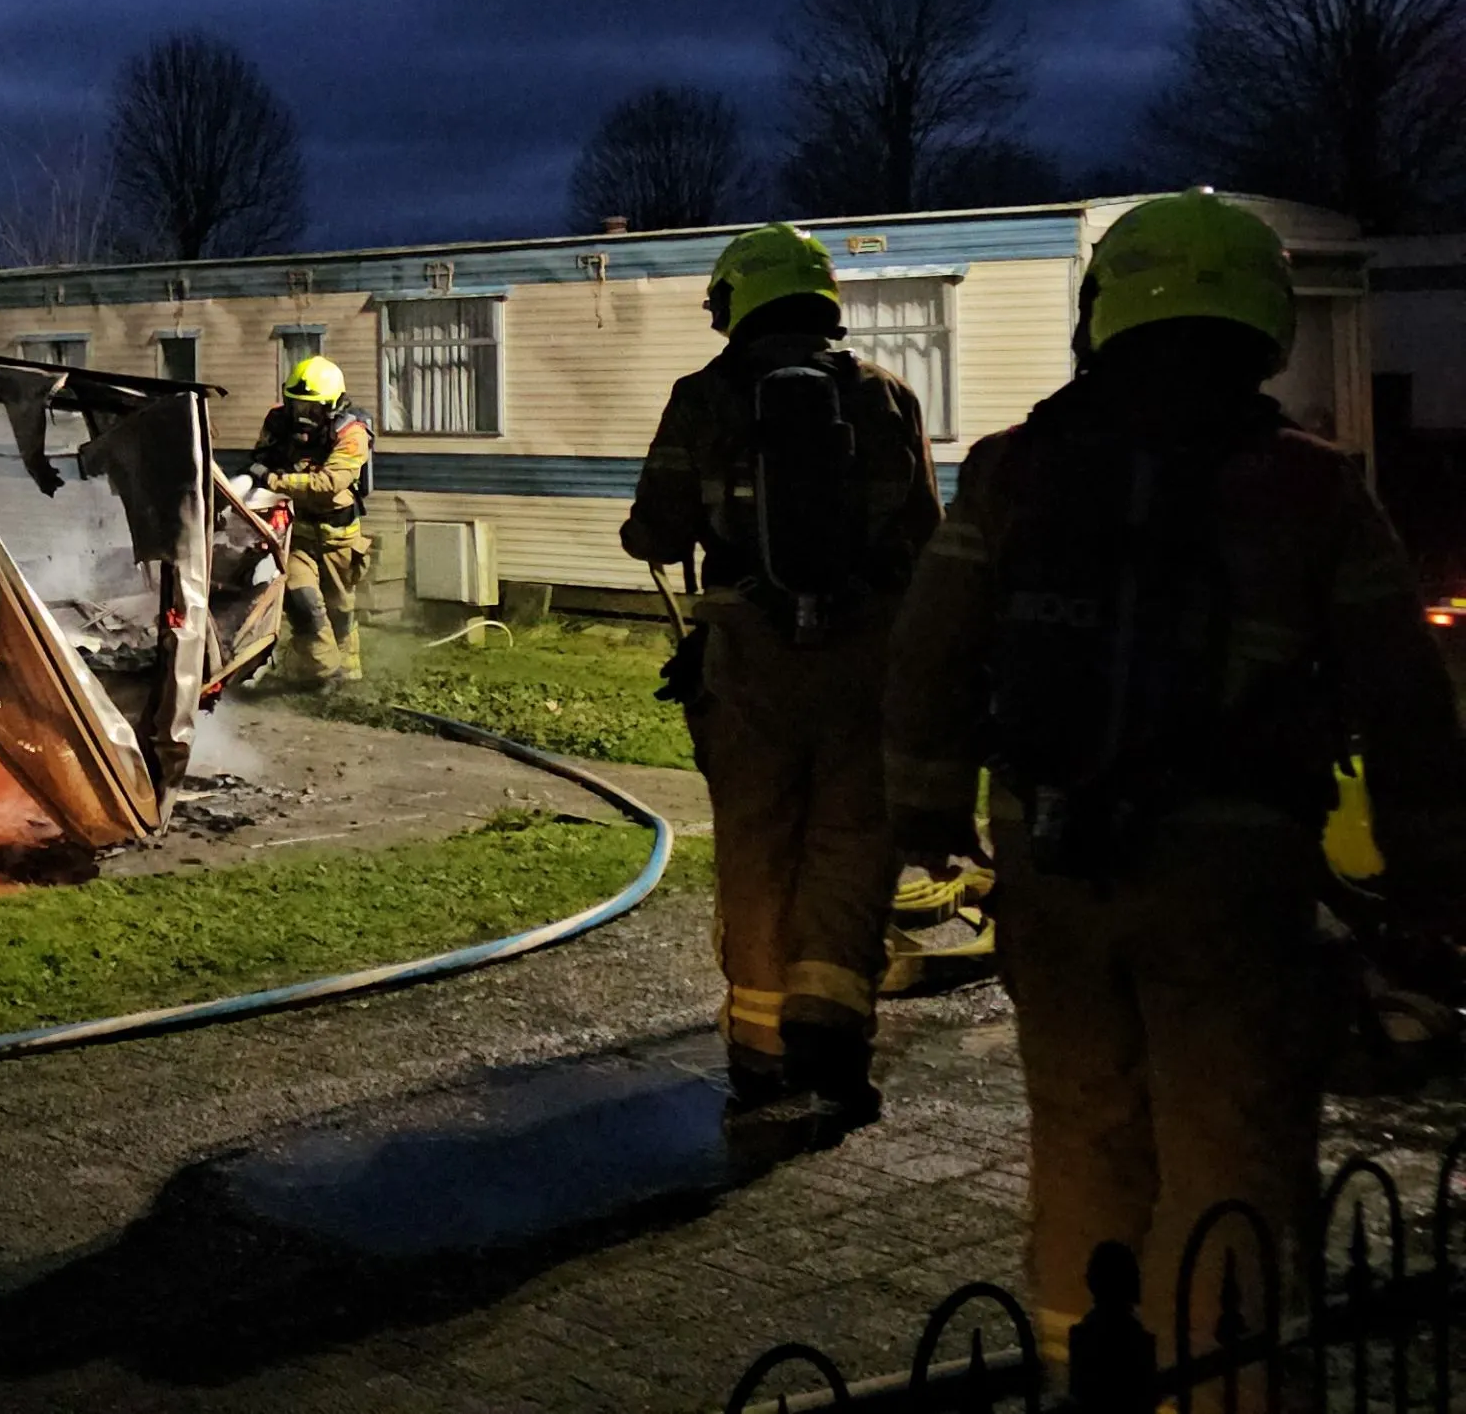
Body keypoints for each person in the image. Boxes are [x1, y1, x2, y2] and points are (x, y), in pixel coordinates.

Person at [884, 191, 1466, 1375]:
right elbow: (1407, 702)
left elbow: (929, 654)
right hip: (1231, 881)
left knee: (1085, 1129)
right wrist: (1433, 885)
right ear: (1265, 321)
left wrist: (930, 810)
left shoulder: (1012, 470)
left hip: (1048, 860)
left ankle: (1078, 1373)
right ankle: (1219, 1387)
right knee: (1229, 1151)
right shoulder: (1312, 488)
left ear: (1105, 316)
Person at [623, 223, 942, 1133]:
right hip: (866, 661)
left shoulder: (703, 397)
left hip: (748, 660)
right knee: (850, 842)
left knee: (758, 846)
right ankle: (835, 1047)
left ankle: (760, 1055)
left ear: (738, 302)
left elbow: (653, 532)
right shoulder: (888, 398)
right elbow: (924, 533)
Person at [253, 354, 373, 690]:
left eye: (312, 410)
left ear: (332, 406)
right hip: (298, 534)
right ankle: (322, 673)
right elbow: (262, 457)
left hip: (340, 536)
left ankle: (348, 675)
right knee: (302, 602)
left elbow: (328, 484)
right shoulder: (278, 423)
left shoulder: (352, 433)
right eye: (297, 407)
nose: (302, 418)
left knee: (339, 609)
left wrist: (275, 481)